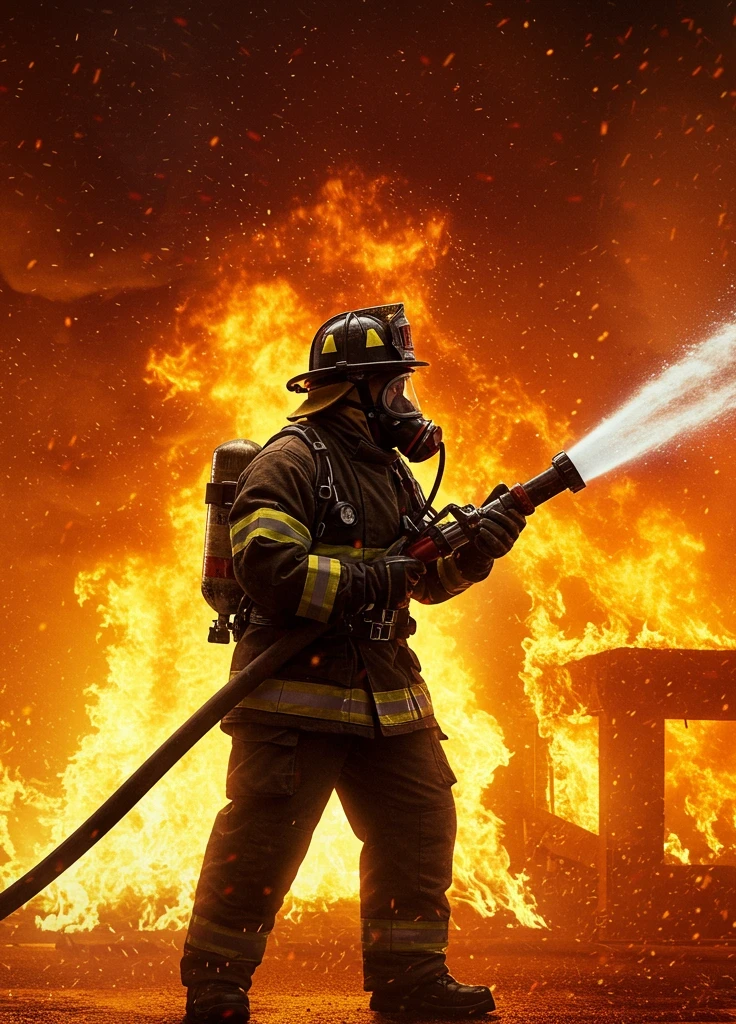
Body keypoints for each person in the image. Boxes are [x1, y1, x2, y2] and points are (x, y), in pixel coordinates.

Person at [181, 303, 526, 1022]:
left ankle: (411, 979)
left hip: (387, 695)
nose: (406, 404)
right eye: (395, 388)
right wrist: (378, 575)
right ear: (357, 389)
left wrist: (478, 550)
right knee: (262, 846)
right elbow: (268, 568)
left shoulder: (391, 474)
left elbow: (425, 582)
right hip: (293, 694)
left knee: (419, 829)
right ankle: (217, 984)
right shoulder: (293, 460)